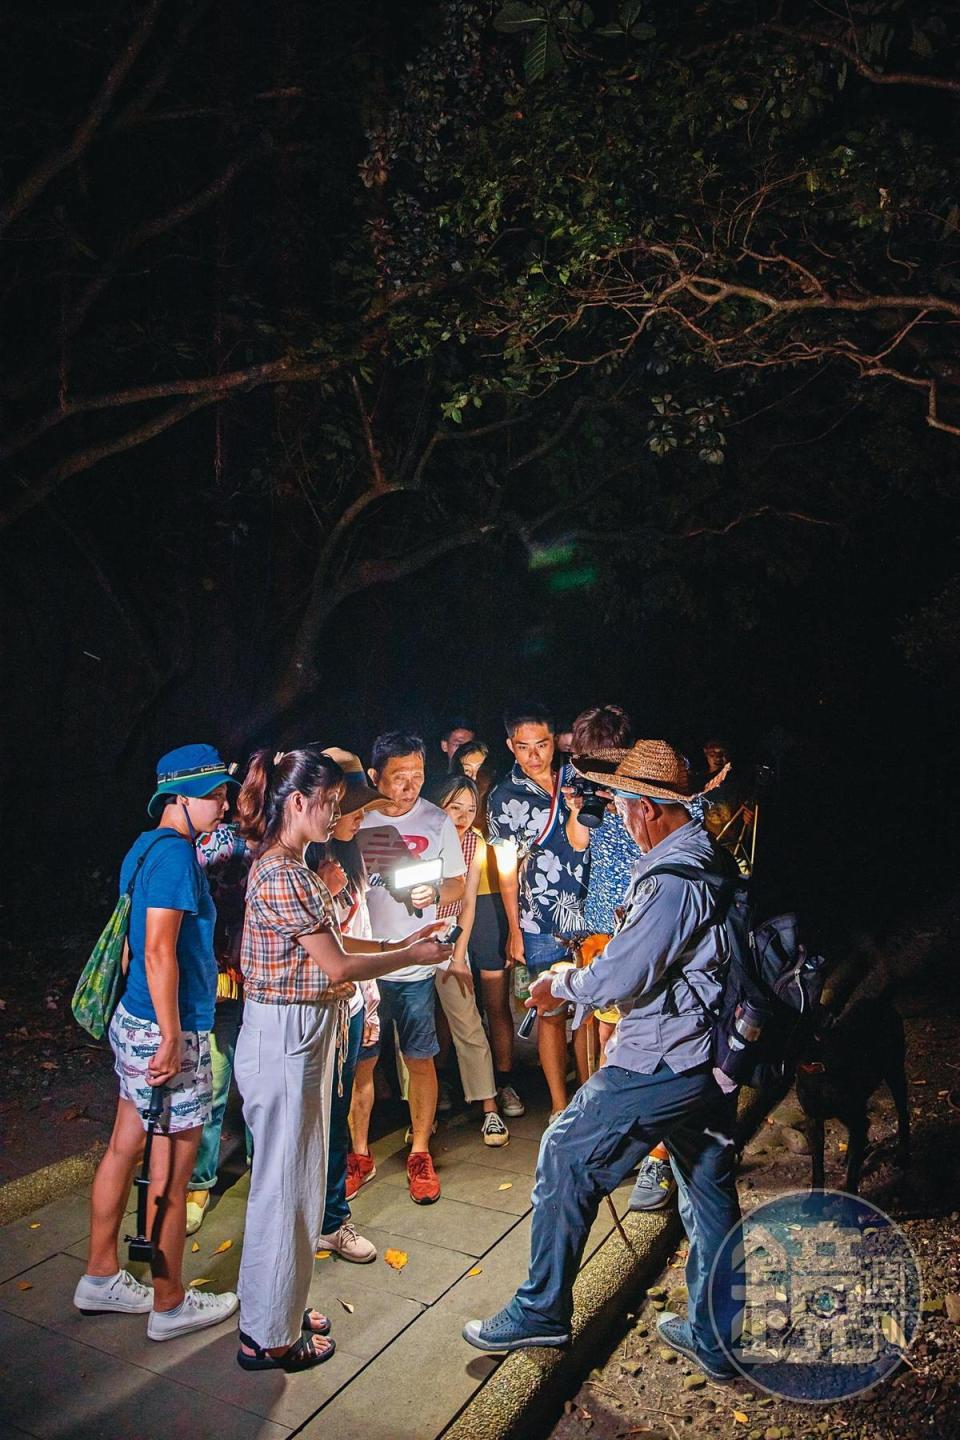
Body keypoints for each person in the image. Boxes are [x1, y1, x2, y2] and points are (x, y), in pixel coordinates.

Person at [463, 740, 741, 1385]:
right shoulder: (707, 858)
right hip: (712, 1054)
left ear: (648, 809)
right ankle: (715, 1335)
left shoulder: (673, 880)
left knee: (565, 1151)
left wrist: (560, 983)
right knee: (706, 1183)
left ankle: (541, 1309)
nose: (616, 817)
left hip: (666, 1057)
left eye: (621, 806)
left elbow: (623, 974)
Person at [233, 746, 453, 1371]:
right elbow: (338, 964)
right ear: (298, 802)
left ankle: (274, 1308)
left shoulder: (294, 866)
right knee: (286, 1188)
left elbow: (332, 942)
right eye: (330, 804)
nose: (337, 816)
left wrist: (403, 940)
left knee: (296, 1181)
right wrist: (411, 957)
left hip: (299, 1035)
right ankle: (268, 1337)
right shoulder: (283, 872)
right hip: (285, 1040)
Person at [73, 743, 241, 1340]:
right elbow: (156, 949)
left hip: (135, 1018)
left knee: (125, 1145)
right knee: (172, 1165)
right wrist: (172, 1035)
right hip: (168, 1030)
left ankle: (99, 1277)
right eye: (213, 795)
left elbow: (130, 949)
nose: (223, 805)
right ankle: (169, 1305)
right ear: (180, 798)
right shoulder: (174, 860)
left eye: (224, 793)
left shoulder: (144, 849)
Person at [565, 707, 676, 1210]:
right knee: (609, 1037)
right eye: (587, 760)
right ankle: (621, 1142)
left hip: (643, 922)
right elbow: (579, 842)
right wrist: (580, 804)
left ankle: (660, 1154)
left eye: (602, 761)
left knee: (650, 1041)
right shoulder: (583, 783)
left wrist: (623, 797)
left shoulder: (649, 790)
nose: (593, 768)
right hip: (600, 923)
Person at [354, 732, 466, 1204]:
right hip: (366, 961)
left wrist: (434, 894)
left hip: (416, 965)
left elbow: (458, 883)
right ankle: (358, 1154)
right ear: (376, 777)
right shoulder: (356, 822)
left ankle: (420, 1150)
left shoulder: (437, 819)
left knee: (420, 1057)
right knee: (362, 1063)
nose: (410, 786)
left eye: (417, 776)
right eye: (399, 777)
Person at [487, 704, 589, 1122]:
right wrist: (513, 927)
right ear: (511, 746)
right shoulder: (502, 796)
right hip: (538, 916)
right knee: (550, 1010)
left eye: (542, 745)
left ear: (554, 742)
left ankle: (589, 1096)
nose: (534, 755)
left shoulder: (577, 779)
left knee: (591, 1008)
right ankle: (559, 1106)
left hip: (589, 906)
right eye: (524, 747)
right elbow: (505, 868)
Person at [307, 749, 383, 1263]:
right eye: (352, 807)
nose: (361, 815)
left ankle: (333, 1219)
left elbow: (361, 933)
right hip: (316, 1010)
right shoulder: (300, 868)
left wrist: (370, 1004)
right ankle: (311, 1218)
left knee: (336, 1113)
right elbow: (323, 947)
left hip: (352, 1004)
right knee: (311, 1118)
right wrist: (326, 894)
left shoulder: (350, 858)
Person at [185, 817, 253, 1235]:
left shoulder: (292, 838)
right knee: (212, 1085)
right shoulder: (218, 841)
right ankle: (199, 1183)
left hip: (267, 983)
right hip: (223, 982)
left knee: (263, 1087)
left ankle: (264, 1173)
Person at [433, 774, 509, 1146]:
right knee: (416, 1029)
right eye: (454, 808)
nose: (462, 817)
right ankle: (424, 1112)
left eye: (470, 809)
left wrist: (459, 955)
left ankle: (489, 1108)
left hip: (449, 934)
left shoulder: (475, 844)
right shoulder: (423, 835)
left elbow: (468, 903)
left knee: (468, 1020)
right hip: (410, 936)